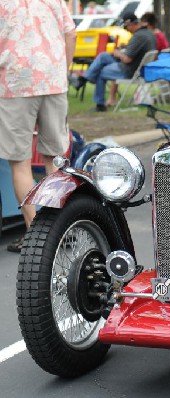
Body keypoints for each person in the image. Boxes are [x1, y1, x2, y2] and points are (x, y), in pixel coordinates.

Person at [0, 0, 77, 252]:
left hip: (14, 83)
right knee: (54, 158)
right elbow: (71, 32)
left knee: (19, 161)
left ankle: (35, 234)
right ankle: (62, 228)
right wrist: (62, 69)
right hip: (53, 79)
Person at [70, 12, 157, 111]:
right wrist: (125, 47)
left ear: (131, 24)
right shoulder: (148, 33)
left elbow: (127, 59)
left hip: (130, 71)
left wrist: (118, 53)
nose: (126, 30)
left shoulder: (138, 37)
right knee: (103, 56)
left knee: (100, 71)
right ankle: (84, 78)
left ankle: (99, 104)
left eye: (125, 27)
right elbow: (136, 51)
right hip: (140, 69)